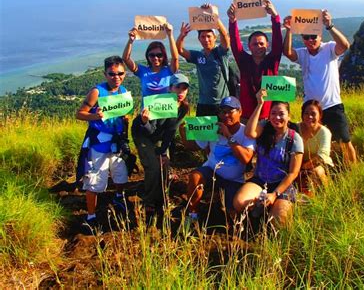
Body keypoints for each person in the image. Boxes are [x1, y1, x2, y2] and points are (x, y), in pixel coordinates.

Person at [283, 10, 357, 165]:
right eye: (306, 37)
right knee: (308, 140)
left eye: (313, 36)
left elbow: (344, 45)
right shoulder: (303, 54)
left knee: (344, 141)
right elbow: (288, 53)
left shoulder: (329, 48)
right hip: (310, 107)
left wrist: (329, 25)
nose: (310, 40)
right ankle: (309, 169)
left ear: (320, 36)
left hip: (332, 105)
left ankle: (353, 172)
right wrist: (289, 30)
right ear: (302, 39)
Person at [179, 96, 255, 223]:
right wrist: (182, 132)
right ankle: (193, 214)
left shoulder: (246, 132)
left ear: (240, 112)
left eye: (230, 111)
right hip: (211, 171)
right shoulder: (212, 127)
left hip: (234, 180)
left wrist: (228, 135)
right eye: (222, 111)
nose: (226, 115)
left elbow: (246, 159)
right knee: (195, 177)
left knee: (233, 215)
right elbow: (193, 146)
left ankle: (219, 200)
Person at [233, 89, 303, 226]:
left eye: (281, 114)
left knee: (277, 221)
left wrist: (275, 194)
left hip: (283, 185)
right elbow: (249, 132)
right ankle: (260, 209)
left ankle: (274, 207)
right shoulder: (265, 127)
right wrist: (260, 104)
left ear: (289, 116)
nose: (277, 117)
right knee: (239, 202)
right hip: (261, 180)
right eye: (273, 113)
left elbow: (293, 173)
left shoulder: (294, 139)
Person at [76, 56, 130, 232]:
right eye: (112, 74)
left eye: (120, 73)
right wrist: (94, 116)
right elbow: (80, 113)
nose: (116, 77)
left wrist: (125, 124)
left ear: (125, 74)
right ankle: (91, 216)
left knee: (120, 173)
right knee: (95, 180)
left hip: (117, 141)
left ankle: (118, 196)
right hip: (99, 142)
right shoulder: (97, 92)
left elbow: (122, 115)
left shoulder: (123, 91)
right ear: (105, 74)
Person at [132, 73, 191, 219]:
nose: (181, 92)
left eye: (184, 89)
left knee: (164, 164)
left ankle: (162, 196)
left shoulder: (183, 107)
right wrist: (145, 121)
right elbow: (151, 131)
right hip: (143, 133)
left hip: (159, 135)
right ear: (170, 88)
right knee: (153, 166)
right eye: (178, 87)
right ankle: (150, 201)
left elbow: (171, 130)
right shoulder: (158, 102)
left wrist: (163, 151)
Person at [226, 0, 282, 121]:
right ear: (249, 46)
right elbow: (235, 44)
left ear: (267, 45)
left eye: (261, 43)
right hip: (246, 117)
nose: (258, 47)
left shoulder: (272, 62)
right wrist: (232, 21)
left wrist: (275, 16)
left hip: (267, 118)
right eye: (255, 44)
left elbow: (278, 43)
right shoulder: (244, 61)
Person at [176, 3, 231, 116]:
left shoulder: (221, 53)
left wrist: (214, 16)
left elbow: (225, 36)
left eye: (209, 36)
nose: (206, 39)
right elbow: (180, 50)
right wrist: (181, 36)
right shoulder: (198, 56)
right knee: (202, 134)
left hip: (221, 104)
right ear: (199, 39)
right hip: (203, 104)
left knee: (221, 133)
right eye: (203, 36)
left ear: (215, 38)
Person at [122, 22, 179, 98]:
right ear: (147, 56)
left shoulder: (169, 70)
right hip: (146, 110)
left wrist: (170, 35)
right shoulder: (142, 71)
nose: (155, 58)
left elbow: (175, 58)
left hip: (166, 109)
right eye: (152, 55)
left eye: (159, 55)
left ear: (164, 56)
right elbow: (126, 59)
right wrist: (130, 41)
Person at [297, 100, 334, 193]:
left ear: (320, 115)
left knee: (317, 171)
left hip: (320, 164)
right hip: (299, 164)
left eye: (313, 114)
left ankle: (328, 193)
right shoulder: (296, 128)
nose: (309, 117)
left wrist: (303, 168)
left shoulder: (324, 132)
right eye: (306, 113)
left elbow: (322, 156)